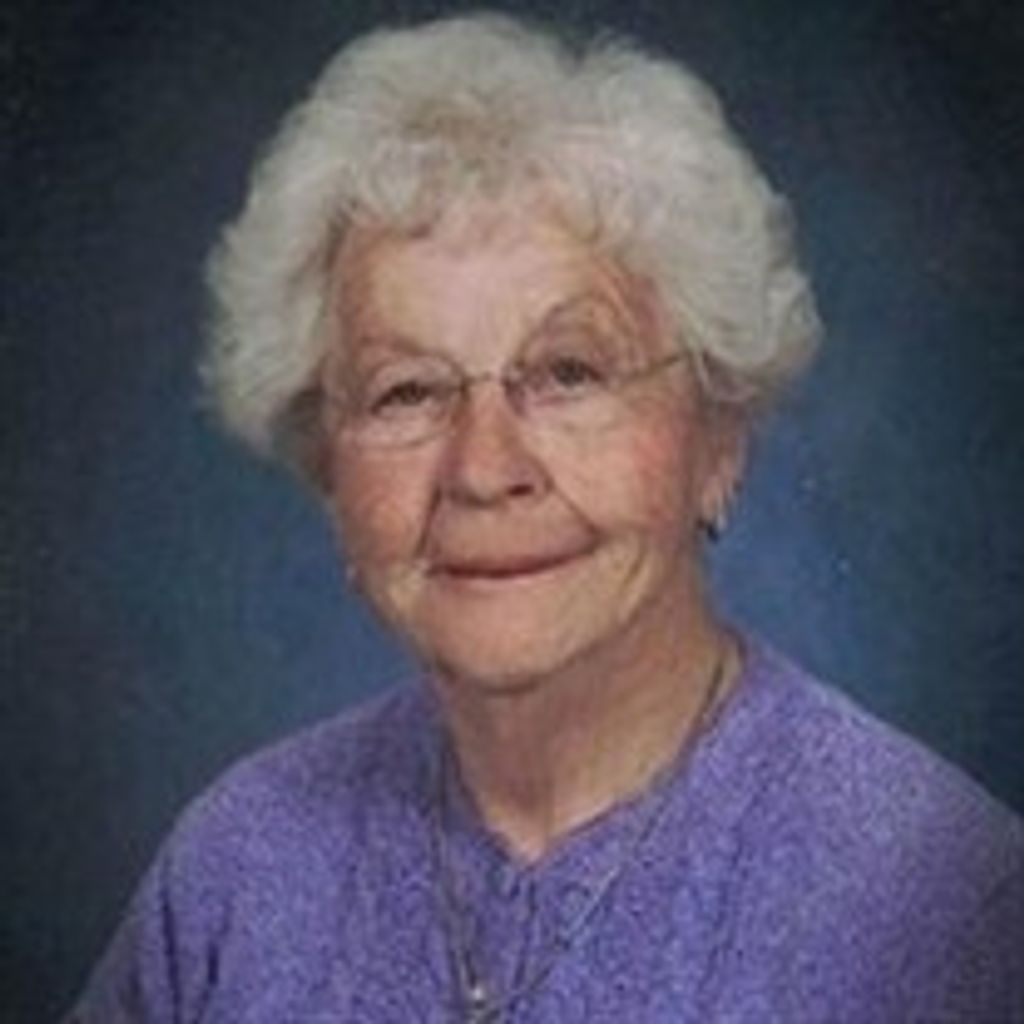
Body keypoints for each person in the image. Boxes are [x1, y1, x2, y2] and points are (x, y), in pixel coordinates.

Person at [67, 12, 1023, 1022]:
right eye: (405, 391)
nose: (485, 470)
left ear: (717, 439)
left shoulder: (941, 904)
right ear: (326, 465)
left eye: (570, 372)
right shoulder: (233, 871)